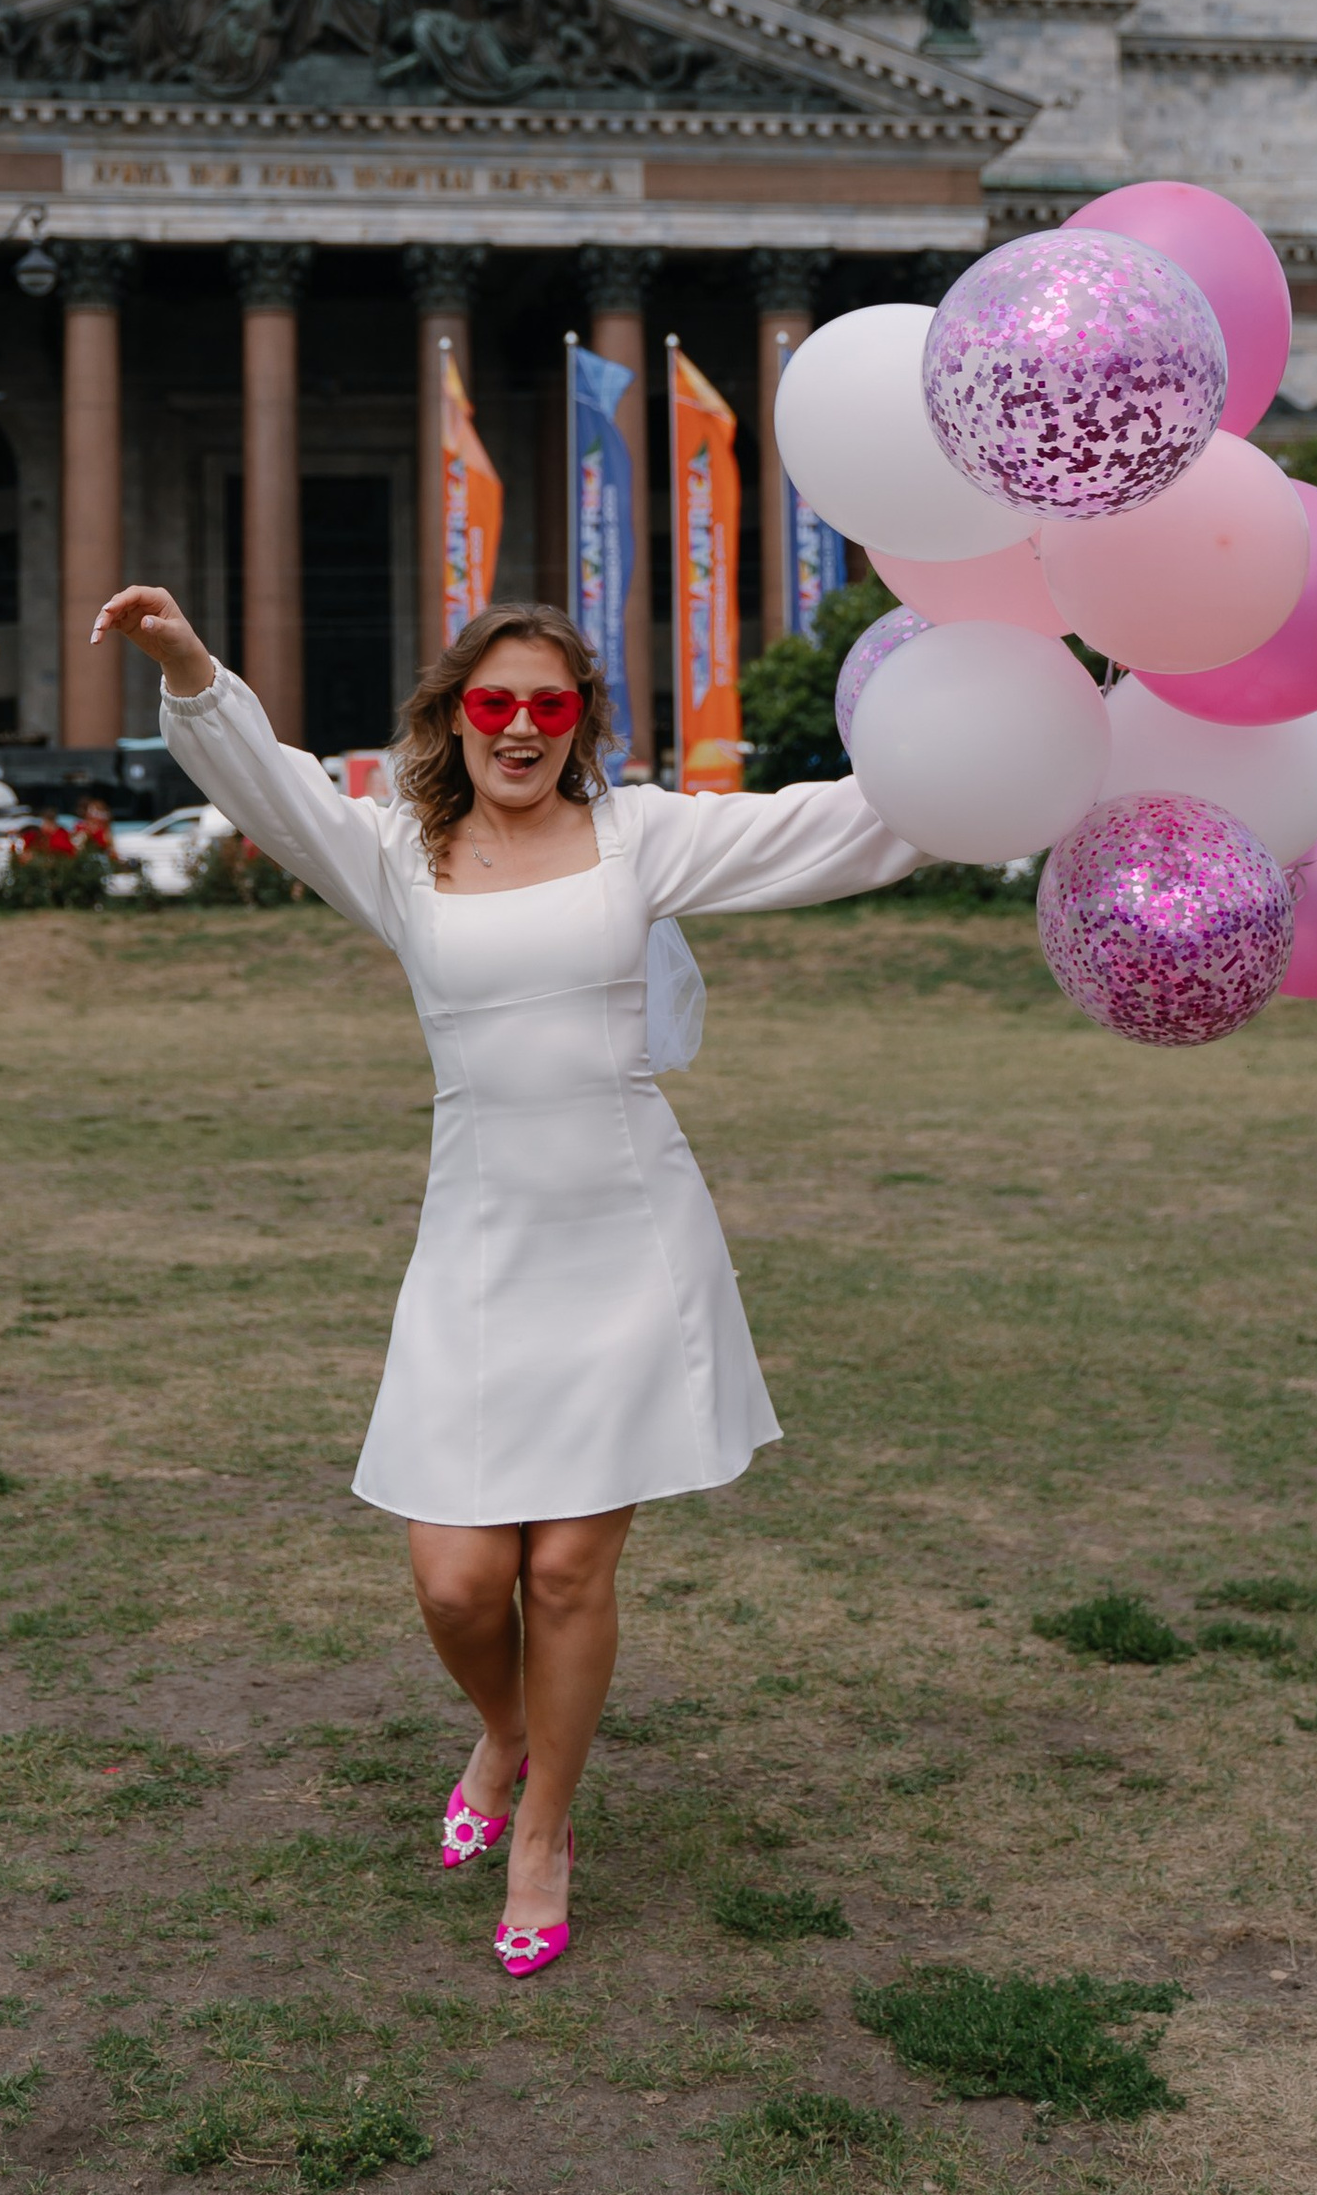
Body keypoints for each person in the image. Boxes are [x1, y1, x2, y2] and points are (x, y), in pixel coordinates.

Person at [89, 583, 925, 1979]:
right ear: (454, 719)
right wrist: (189, 666)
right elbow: (275, 789)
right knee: (462, 1581)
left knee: (572, 1567)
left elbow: (843, 825)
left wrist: (1008, 773)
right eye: (496, 703)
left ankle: (545, 1828)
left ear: (582, 721)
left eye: (550, 704)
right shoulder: (399, 858)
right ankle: (503, 1725)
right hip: (478, 1251)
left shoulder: (642, 834)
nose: (522, 727)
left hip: (625, 1242)